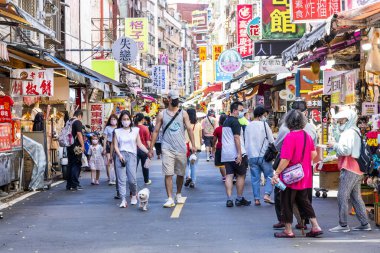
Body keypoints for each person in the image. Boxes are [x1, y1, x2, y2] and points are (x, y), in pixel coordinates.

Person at [271, 110, 323, 238]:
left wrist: (277, 173)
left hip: (290, 176)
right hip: (304, 174)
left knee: (287, 202)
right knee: (304, 201)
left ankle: (288, 230)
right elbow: (313, 154)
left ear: (288, 122)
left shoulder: (289, 136)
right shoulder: (307, 135)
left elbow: (286, 159)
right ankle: (315, 226)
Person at [148, 90, 196, 208]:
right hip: (167, 148)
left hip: (181, 147)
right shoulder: (162, 114)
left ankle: (178, 194)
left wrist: (193, 145)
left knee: (180, 173)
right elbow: (155, 131)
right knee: (168, 173)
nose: (175, 102)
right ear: (168, 99)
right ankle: (169, 197)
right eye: (173, 99)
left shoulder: (183, 113)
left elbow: (189, 129)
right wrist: (150, 149)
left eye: (177, 100)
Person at [328, 109, 372, 232]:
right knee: (355, 197)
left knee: (342, 195)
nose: (339, 123)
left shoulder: (349, 133)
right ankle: (364, 223)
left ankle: (343, 225)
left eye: (341, 120)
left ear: (348, 120)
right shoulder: (355, 131)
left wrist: (334, 146)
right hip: (357, 168)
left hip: (350, 168)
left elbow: (346, 151)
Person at [113, 110, 150, 208]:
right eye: (124, 119)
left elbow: (140, 144)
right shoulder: (117, 131)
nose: (126, 121)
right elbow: (115, 145)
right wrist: (119, 155)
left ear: (130, 120)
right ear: (121, 120)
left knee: (132, 180)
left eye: (127, 119)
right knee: (121, 180)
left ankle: (134, 194)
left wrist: (148, 152)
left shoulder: (135, 130)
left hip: (132, 156)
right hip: (120, 156)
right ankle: (123, 200)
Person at [222, 101, 251, 208]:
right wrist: (239, 153)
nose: (242, 112)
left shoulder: (225, 121)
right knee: (241, 175)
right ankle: (239, 198)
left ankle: (229, 199)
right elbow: (236, 138)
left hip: (226, 154)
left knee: (229, 175)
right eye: (240, 110)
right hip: (236, 153)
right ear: (234, 110)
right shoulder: (236, 122)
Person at [245, 106, 274, 206]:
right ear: (261, 115)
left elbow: (246, 142)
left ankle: (256, 199)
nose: (265, 117)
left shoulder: (248, 126)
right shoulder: (264, 125)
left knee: (255, 178)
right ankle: (267, 194)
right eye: (265, 115)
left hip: (252, 156)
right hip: (264, 156)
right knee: (269, 176)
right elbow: (271, 140)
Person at [66, 110, 85, 191]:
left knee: (70, 164)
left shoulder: (68, 122)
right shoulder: (77, 122)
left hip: (69, 146)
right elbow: (79, 134)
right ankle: (75, 184)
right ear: (80, 116)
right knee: (76, 164)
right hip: (76, 147)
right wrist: (83, 145)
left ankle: (69, 184)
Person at [184, 108, 202, 188]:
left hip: (186, 146)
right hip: (196, 147)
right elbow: (201, 136)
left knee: (187, 164)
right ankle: (193, 182)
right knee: (194, 165)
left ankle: (188, 177)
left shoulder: (185, 124)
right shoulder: (198, 125)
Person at [134, 113, 152, 185]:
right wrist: (150, 150)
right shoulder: (145, 128)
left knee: (134, 166)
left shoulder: (133, 128)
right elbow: (148, 141)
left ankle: (133, 180)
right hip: (144, 150)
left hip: (135, 149)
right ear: (142, 119)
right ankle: (146, 180)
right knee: (145, 166)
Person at [103, 114, 118, 185]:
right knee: (109, 162)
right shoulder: (107, 128)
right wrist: (104, 148)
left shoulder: (119, 128)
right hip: (109, 144)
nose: (113, 121)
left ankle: (114, 177)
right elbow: (105, 138)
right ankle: (110, 178)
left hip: (117, 145)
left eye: (114, 119)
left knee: (116, 162)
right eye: (111, 119)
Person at [213, 114, 227, 182]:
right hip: (228, 147)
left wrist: (213, 147)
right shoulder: (229, 129)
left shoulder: (217, 129)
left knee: (221, 164)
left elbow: (214, 139)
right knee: (228, 162)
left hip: (220, 147)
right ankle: (230, 176)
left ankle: (224, 177)